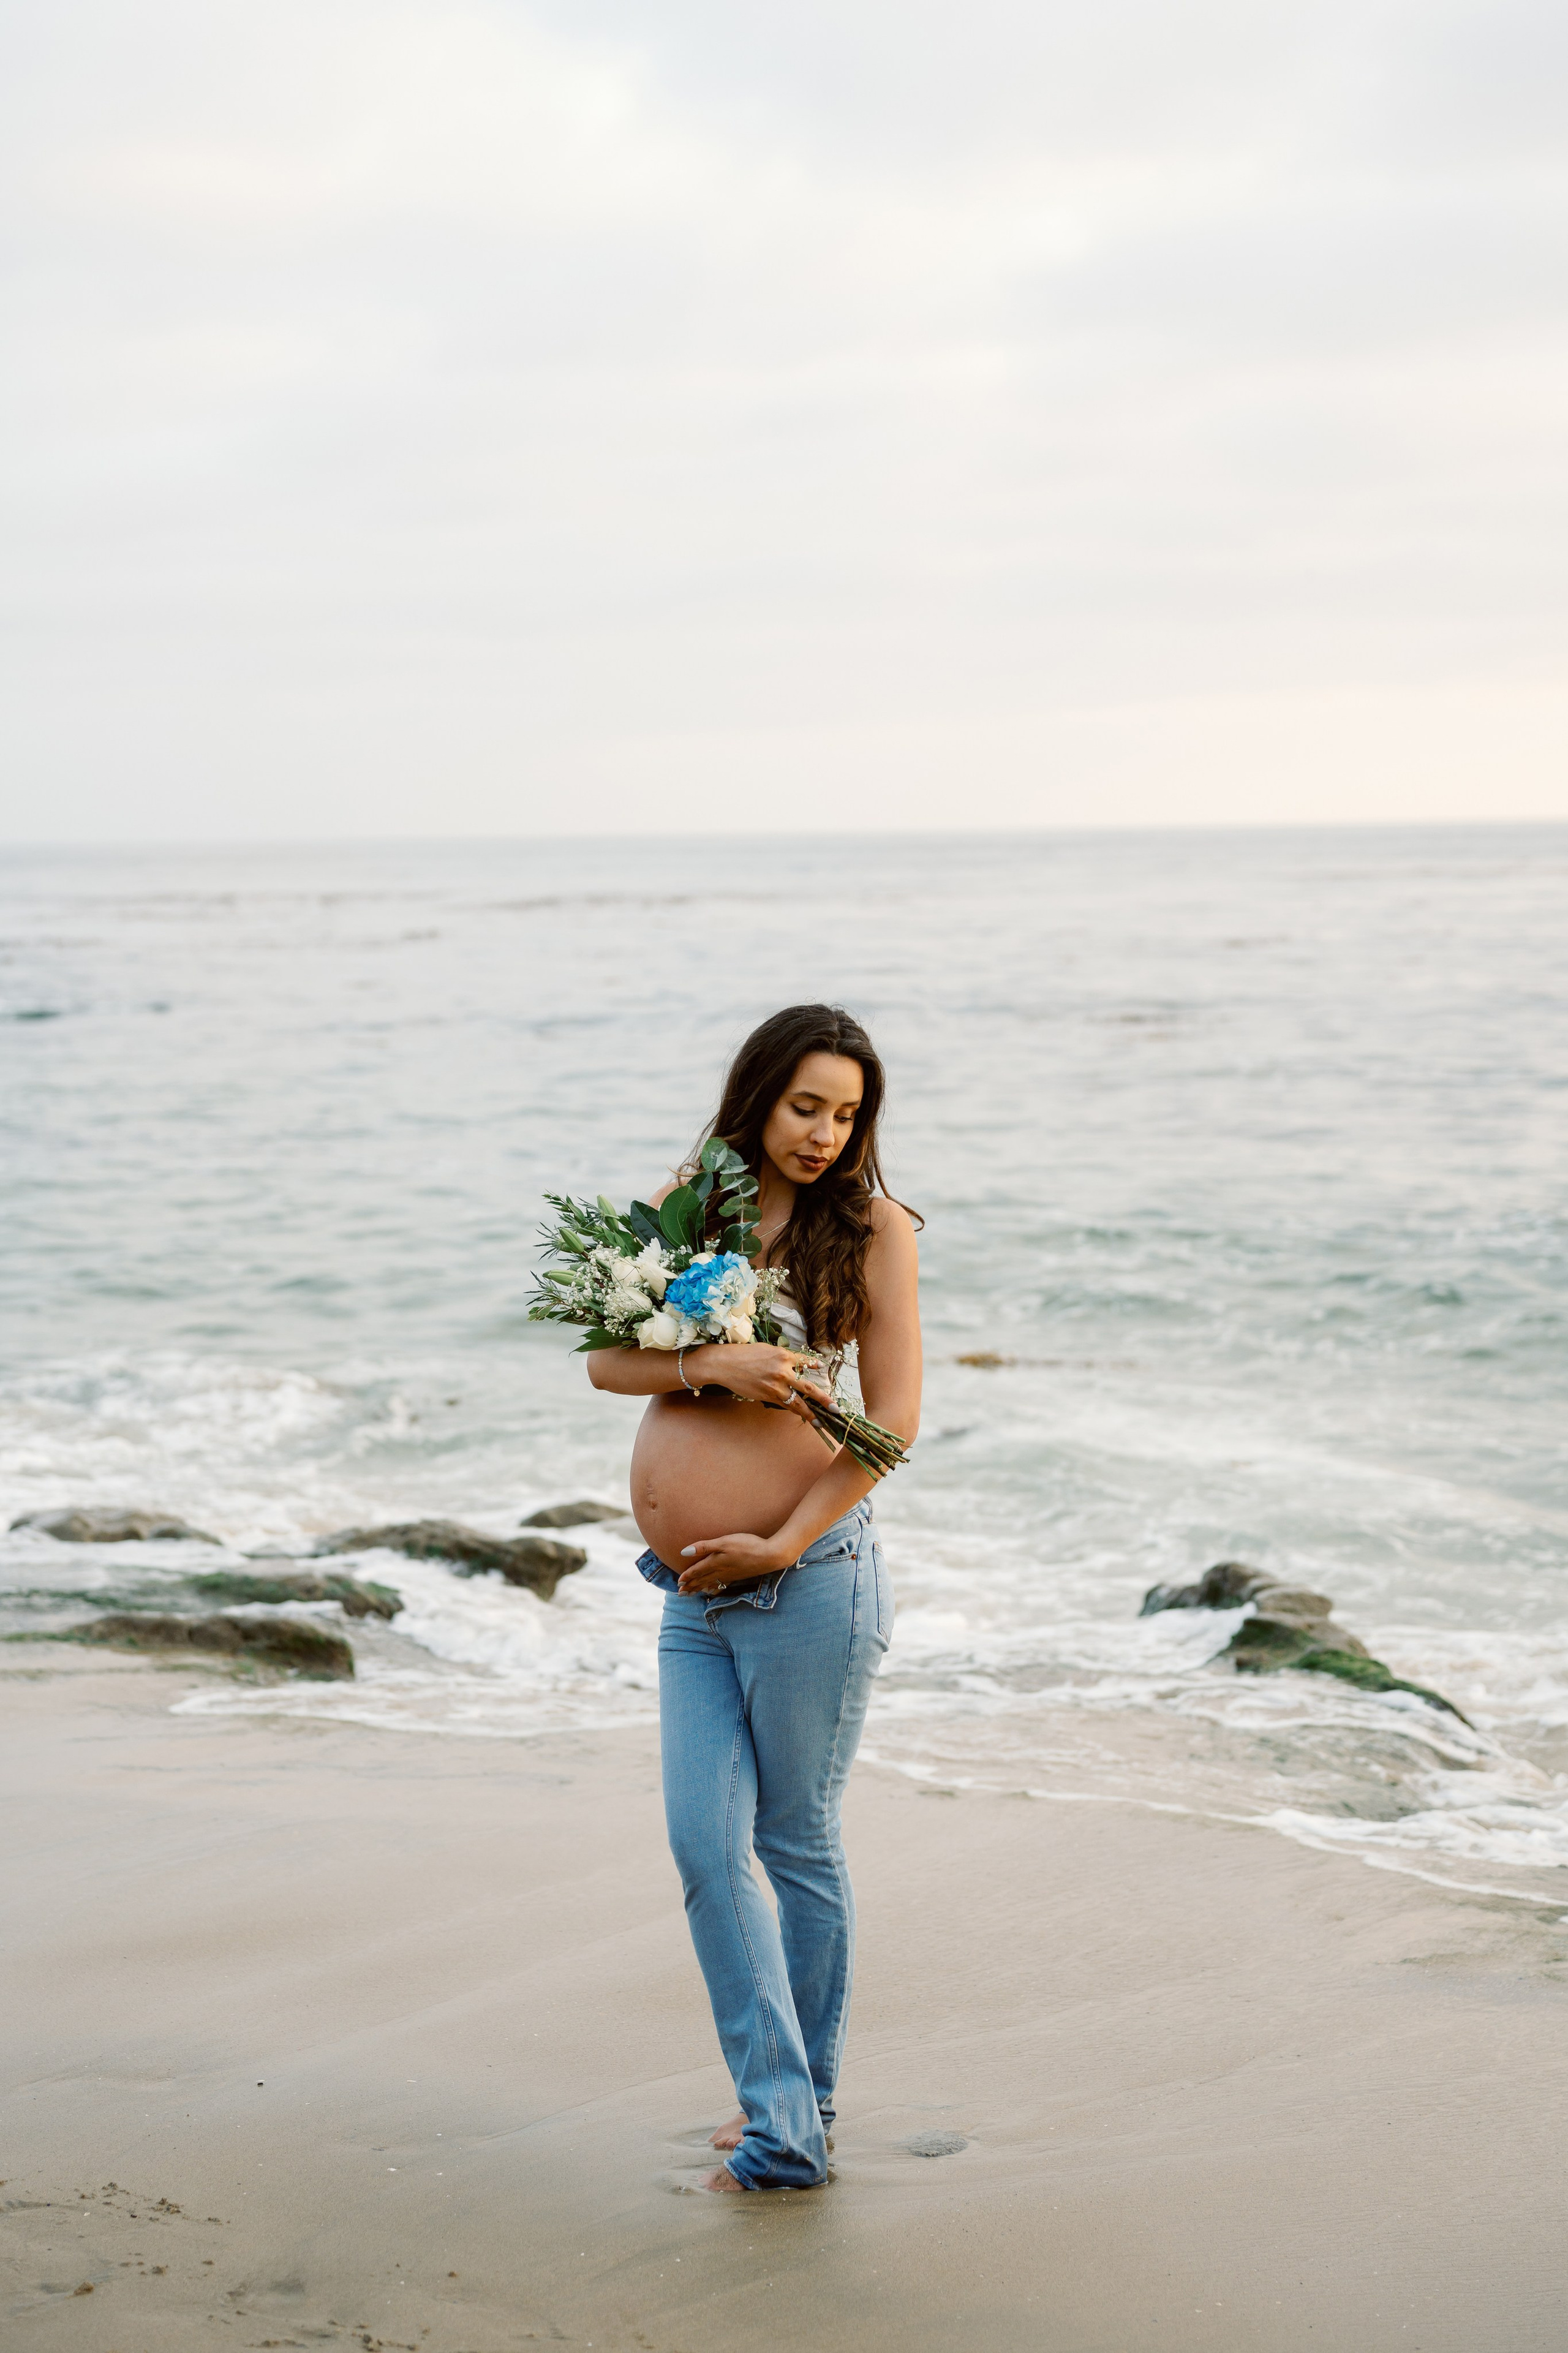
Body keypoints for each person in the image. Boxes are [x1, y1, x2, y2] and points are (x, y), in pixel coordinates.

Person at [586, 1003, 922, 2191]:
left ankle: (792, 2119)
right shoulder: (695, 1203)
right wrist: (704, 1363)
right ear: (756, 1097)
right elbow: (602, 1360)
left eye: (846, 1113)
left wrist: (779, 1542)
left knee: (791, 1840)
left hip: (809, 1584)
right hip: (687, 1594)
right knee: (699, 1840)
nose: (825, 1133)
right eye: (805, 1107)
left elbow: (889, 1428)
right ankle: (778, 2096)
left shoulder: (874, 1230)